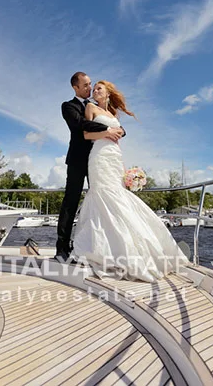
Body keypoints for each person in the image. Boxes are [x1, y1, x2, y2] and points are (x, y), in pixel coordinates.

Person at [71, 80, 188, 281]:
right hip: (99, 155)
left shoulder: (114, 115)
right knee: (102, 196)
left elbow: (120, 136)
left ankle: (133, 249)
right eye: (94, 88)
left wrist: (125, 170)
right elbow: (86, 134)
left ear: (108, 93)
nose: (94, 91)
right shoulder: (90, 107)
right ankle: (103, 251)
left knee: (120, 198)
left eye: (99, 88)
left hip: (114, 156)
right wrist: (106, 132)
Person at [55, 72, 124, 263]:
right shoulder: (68, 106)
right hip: (78, 160)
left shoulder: (98, 107)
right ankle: (62, 248)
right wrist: (107, 130)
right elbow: (80, 124)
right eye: (85, 85)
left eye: (91, 85)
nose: (89, 88)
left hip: (99, 160)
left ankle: (99, 246)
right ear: (75, 87)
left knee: (103, 199)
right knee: (71, 201)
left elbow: (117, 125)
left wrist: (117, 129)